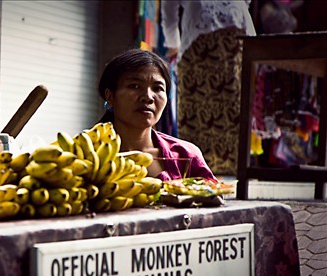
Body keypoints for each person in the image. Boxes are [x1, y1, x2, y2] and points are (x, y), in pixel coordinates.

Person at [160, 1, 256, 176]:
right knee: (223, 105)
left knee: (223, 106)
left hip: (220, 38)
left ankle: (203, 170)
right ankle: (213, 169)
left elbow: (169, 7)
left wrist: (172, 42)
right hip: (224, 32)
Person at [98, 48, 215, 181]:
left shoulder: (186, 155)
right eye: (134, 86)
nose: (148, 97)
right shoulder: (86, 156)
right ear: (110, 96)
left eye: (157, 88)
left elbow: (214, 195)